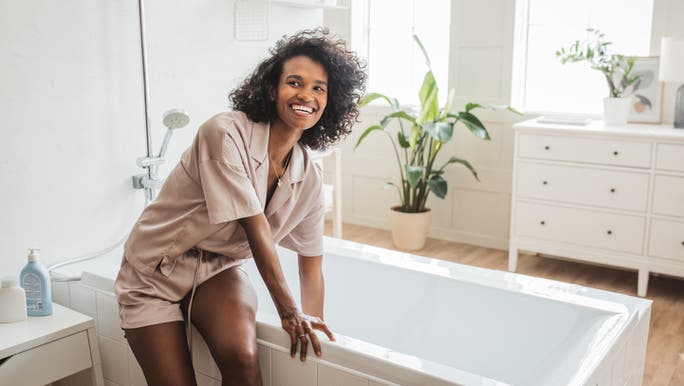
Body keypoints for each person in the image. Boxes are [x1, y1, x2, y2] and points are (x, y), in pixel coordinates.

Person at [114, 28, 366, 386]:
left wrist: (313, 327)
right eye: (294, 83)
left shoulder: (307, 176)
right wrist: (289, 312)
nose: (306, 95)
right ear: (271, 89)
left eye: (318, 88)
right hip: (153, 273)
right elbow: (255, 225)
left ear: (330, 101)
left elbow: (311, 265)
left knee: (243, 358)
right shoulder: (224, 132)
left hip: (218, 270)